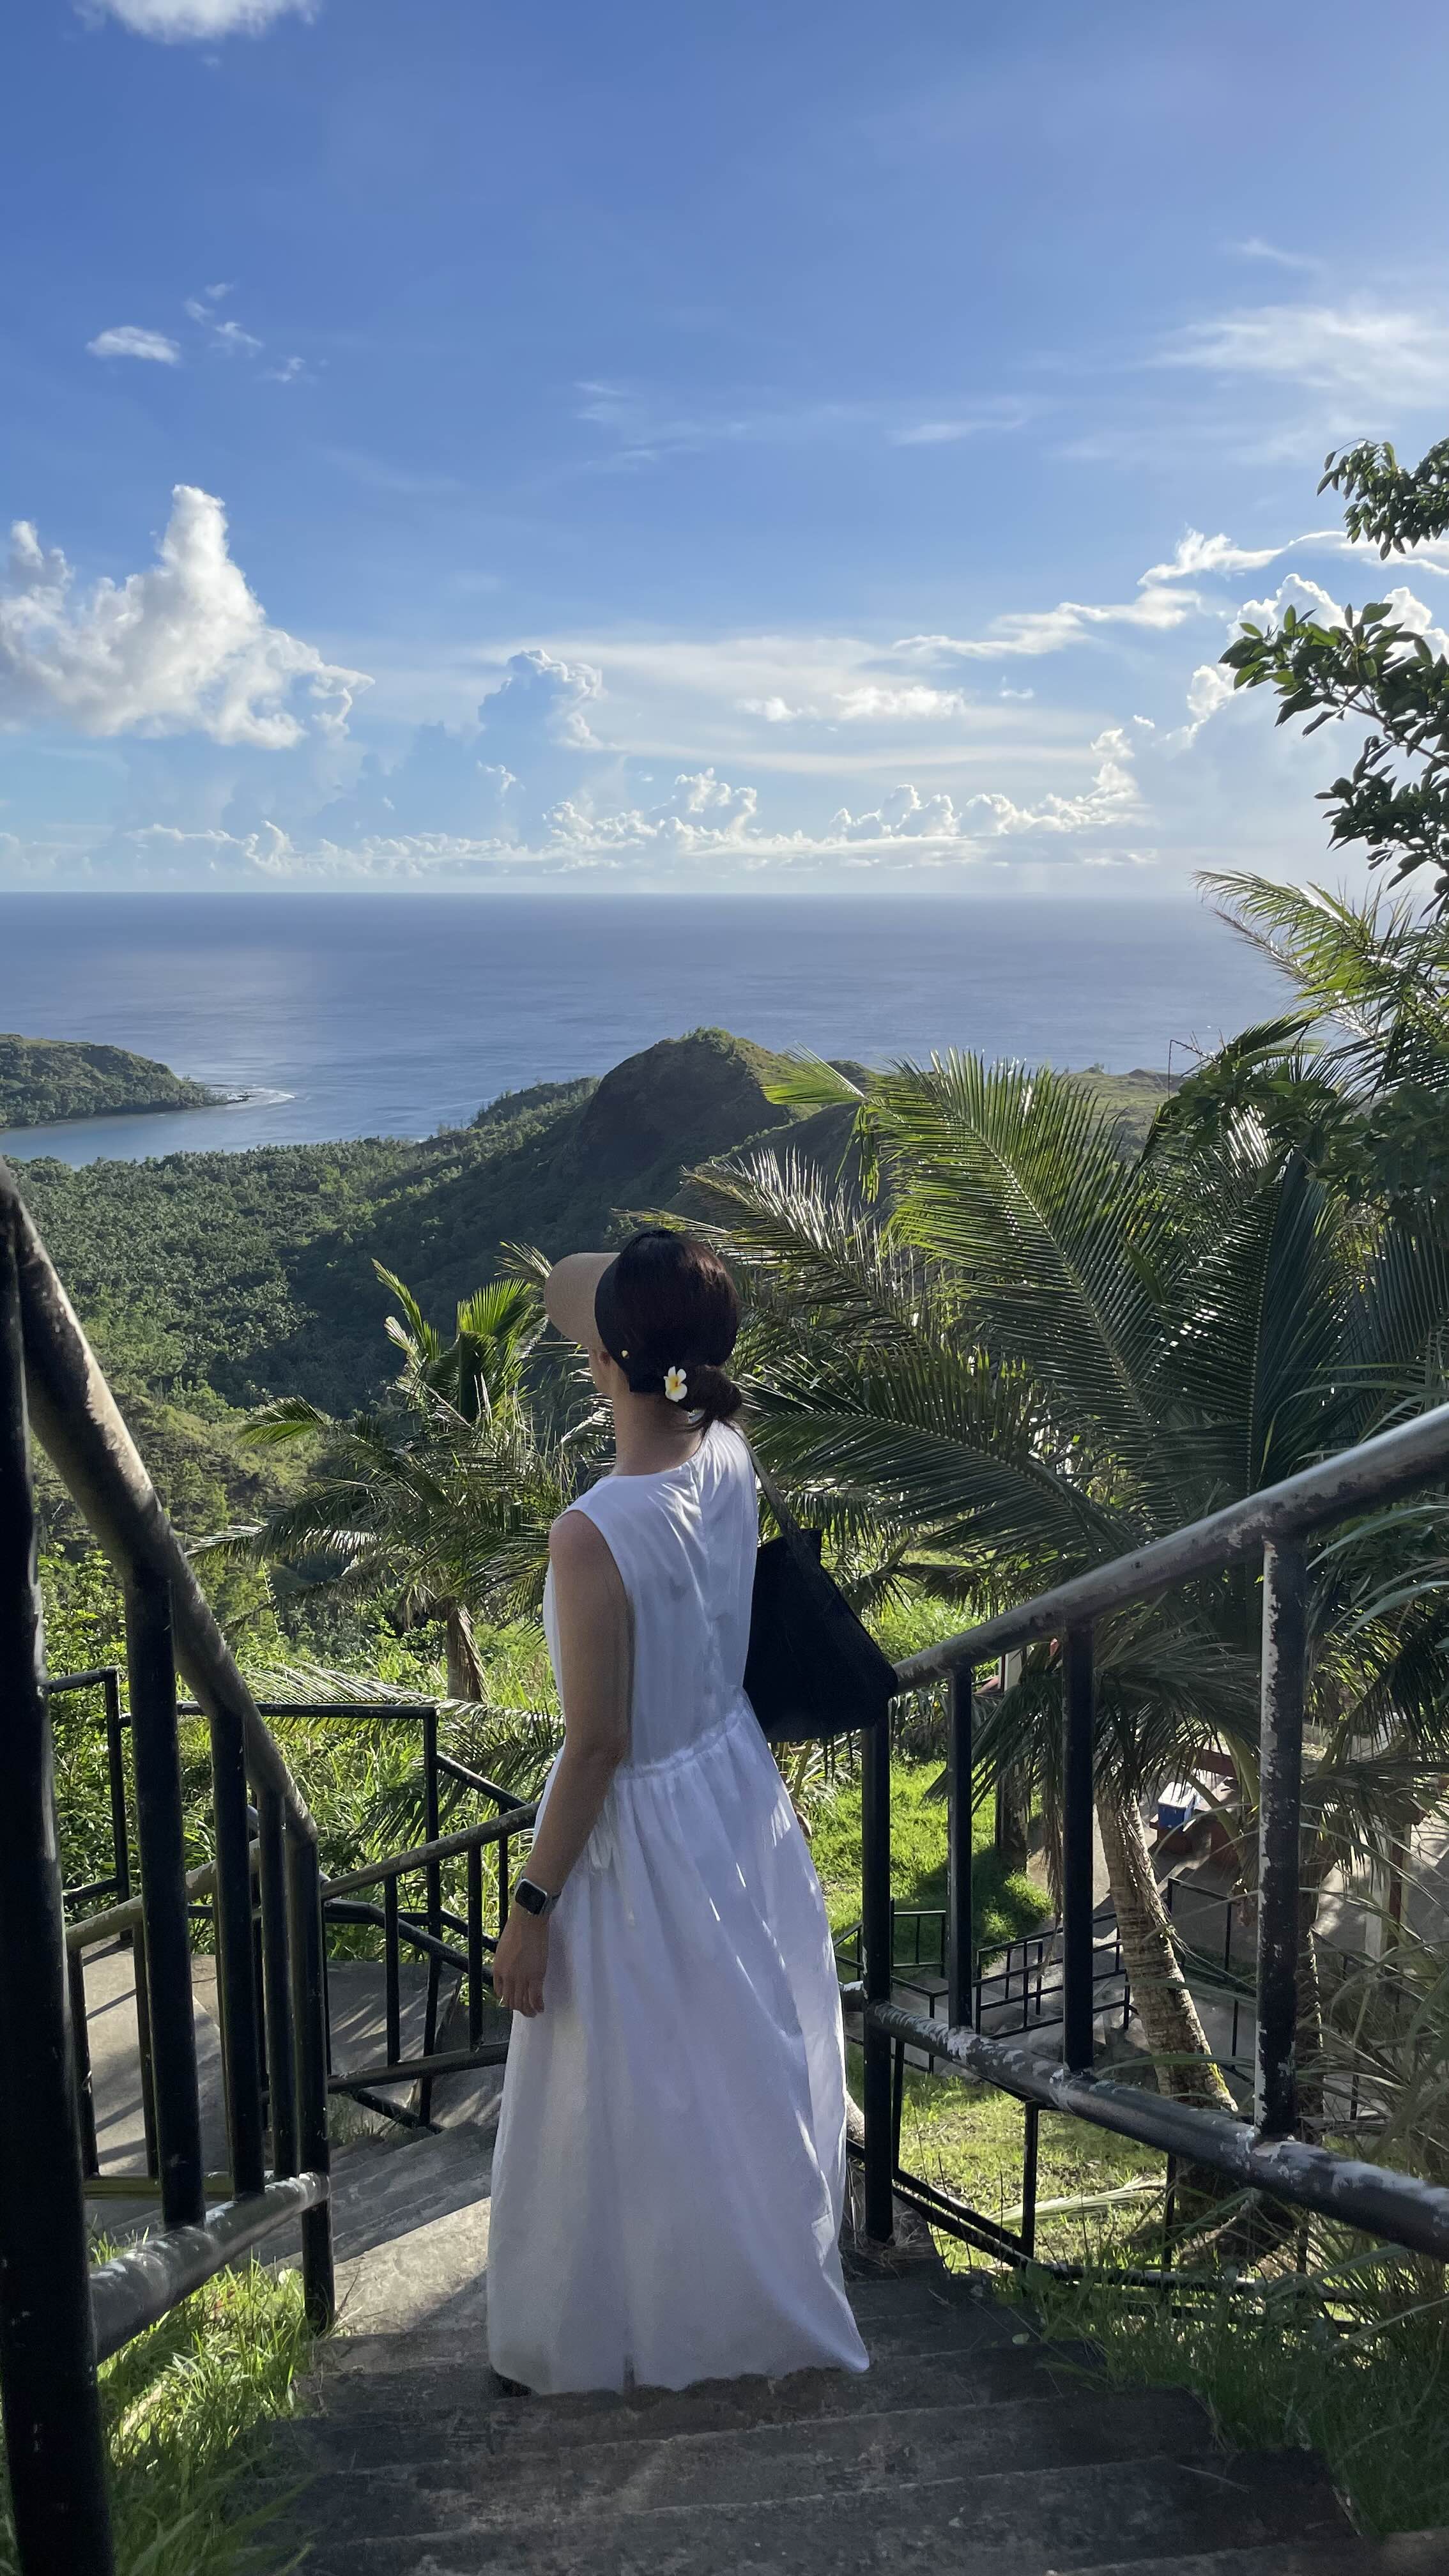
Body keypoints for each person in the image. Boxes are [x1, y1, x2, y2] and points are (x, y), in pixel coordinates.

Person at [486, 1227, 868, 2395]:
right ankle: (744, 2298)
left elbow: (596, 1746)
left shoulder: (592, 1533)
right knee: (731, 2064)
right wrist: (649, 1313)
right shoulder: (729, 1452)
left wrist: (531, 1905)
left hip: (639, 1834)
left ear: (605, 1359)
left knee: (626, 2087)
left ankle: (624, 2327)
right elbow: (584, 1297)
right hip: (733, 1788)